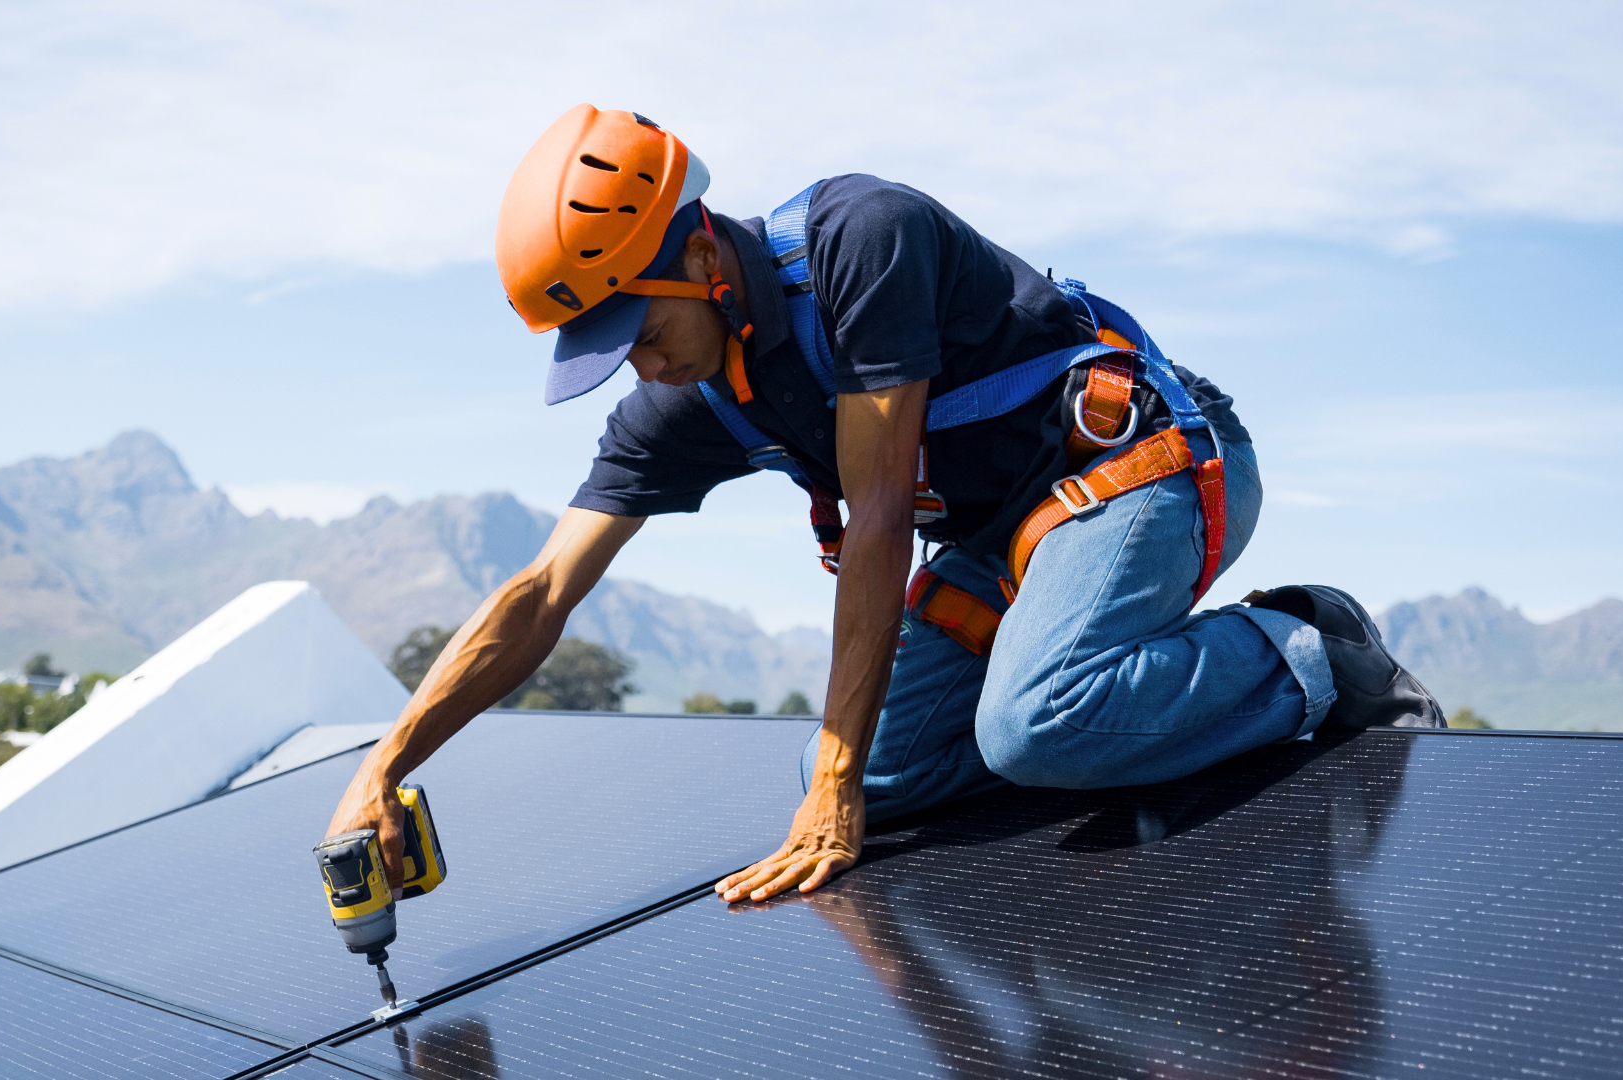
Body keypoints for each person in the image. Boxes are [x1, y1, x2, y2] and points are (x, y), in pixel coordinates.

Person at [325, 104, 1443, 905]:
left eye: (644, 333)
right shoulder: (684, 406)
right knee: (893, 773)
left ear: (701, 256)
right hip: (1013, 542)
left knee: (1030, 725)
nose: (646, 372)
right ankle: (1114, 702)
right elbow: (538, 596)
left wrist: (832, 781)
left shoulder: (863, 240)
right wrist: (386, 764)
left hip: (1149, 464)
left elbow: (877, 519)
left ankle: (1307, 647)